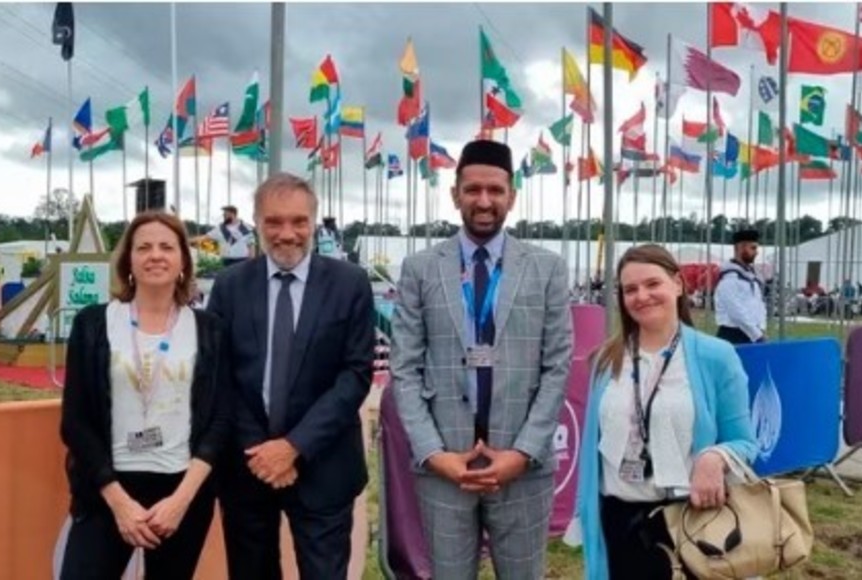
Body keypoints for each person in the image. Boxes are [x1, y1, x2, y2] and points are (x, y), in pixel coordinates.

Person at [391, 139, 572, 579]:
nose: (484, 201)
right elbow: (405, 370)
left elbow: (557, 367)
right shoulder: (420, 269)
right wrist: (434, 453)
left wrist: (523, 451)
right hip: (445, 468)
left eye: (495, 190)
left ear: (511, 195)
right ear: (455, 194)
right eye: (472, 190)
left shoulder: (546, 268)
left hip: (521, 468)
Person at [207, 172, 375, 579]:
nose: (287, 233)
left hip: (325, 466)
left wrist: (294, 446)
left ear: (314, 223)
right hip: (249, 467)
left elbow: (354, 376)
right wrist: (262, 450)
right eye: (274, 222)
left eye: (299, 221)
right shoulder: (230, 286)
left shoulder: (349, 283)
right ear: (257, 222)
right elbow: (219, 376)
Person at [59, 211, 230, 579]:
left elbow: (219, 420)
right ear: (129, 261)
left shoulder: (210, 330)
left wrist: (181, 501)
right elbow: (74, 421)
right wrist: (119, 502)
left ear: (183, 260)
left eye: (167, 247)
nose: (156, 255)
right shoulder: (92, 323)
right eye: (144, 247)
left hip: (181, 492)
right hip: (108, 489)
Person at [577, 244, 757, 580]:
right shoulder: (606, 360)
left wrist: (714, 457)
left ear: (677, 284)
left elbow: (746, 443)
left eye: (652, 284)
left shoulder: (717, 356)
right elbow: (591, 452)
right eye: (630, 289)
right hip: (619, 522)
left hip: (690, 523)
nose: (641, 296)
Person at [714, 229, 766, 344]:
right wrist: (756, 335)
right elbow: (736, 311)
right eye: (753, 248)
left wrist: (760, 328)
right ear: (740, 248)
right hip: (732, 334)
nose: (756, 252)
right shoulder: (729, 280)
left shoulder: (751, 276)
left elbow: (759, 304)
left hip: (752, 334)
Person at [192, 205, 256, 267]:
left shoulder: (246, 228)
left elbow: (251, 246)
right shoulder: (220, 229)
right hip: (226, 261)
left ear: (232, 214)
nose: (223, 216)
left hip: (242, 261)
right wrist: (187, 241)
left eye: (225, 214)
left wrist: (251, 264)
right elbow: (205, 237)